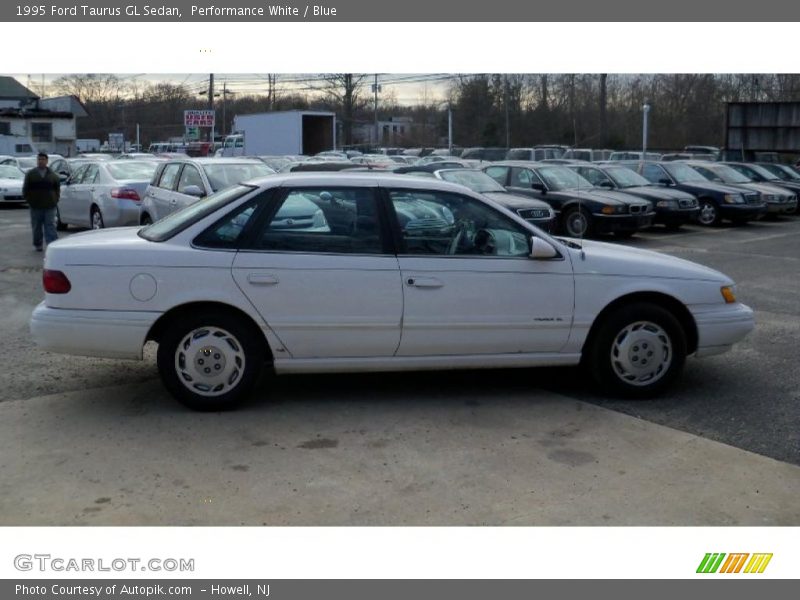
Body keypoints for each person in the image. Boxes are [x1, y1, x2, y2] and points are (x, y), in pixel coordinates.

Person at [22, 152, 61, 252]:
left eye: (43, 159)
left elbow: (57, 189)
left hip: (50, 206)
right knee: (36, 226)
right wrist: (29, 201)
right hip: (35, 206)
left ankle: (52, 244)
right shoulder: (31, 174)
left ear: (47, 161)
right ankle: (38, 244)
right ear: (37, 161)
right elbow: (25, 189)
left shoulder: (53, 175)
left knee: (50, 225)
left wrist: (55, 199)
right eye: (39, 159)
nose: (41, 161)